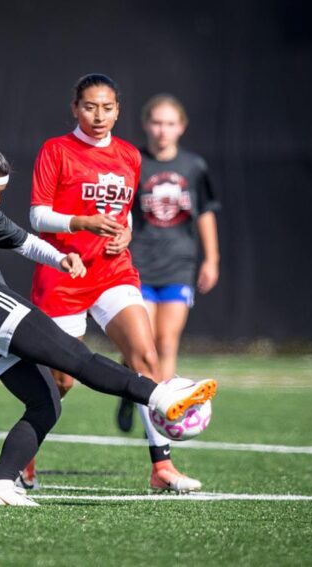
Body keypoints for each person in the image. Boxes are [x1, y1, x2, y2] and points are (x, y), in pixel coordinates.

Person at [0, 135, 217, 507]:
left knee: (46, 402)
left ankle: (0, 485)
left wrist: (61, 260)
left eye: (1, 191)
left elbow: (24, 241)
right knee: (76, 357)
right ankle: (162, 396)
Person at [24, 74, 205, 493]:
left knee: (146, 357)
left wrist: (124, 232)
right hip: (62, 273)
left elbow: (121, 213)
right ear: (75, 108)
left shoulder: (128, 155)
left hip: (112, 270)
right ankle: (26, 453)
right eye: (90, 106)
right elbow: (37, 216)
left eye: (107, 108)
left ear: (118, 110)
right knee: (60, 382)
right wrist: (83, 222)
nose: (99, 115)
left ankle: (161, 467)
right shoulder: (57, 150)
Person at [115, 94, 220, 432]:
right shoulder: (133, 163)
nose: (163, 130)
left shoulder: (194, 166)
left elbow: (204, 213)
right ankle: (135, 392)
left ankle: (163, 412)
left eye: (170, 123)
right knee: (142, 344)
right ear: (146, 124)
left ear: (182, 127)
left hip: (179, 264)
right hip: (139, 263)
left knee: (166, 341)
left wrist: (211, 259)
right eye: (157, 123)